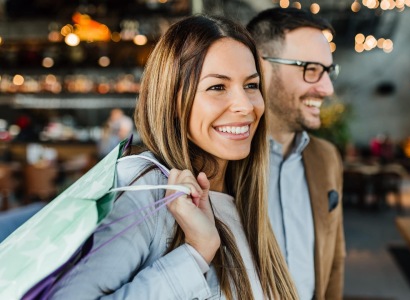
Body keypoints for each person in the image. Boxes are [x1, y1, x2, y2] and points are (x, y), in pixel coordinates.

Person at [50, 15, 298, 299]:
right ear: (173, 101)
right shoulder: (146, 190)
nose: (245, 105)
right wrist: (194, 255)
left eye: (251, 85)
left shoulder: (245, 193)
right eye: (217, 87)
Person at [247, 8, 346, 300]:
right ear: (261, 68)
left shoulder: (326, 157)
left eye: (327, 71)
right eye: (310, 69)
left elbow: (335, 259)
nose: (326, 88)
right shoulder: (223, 162)